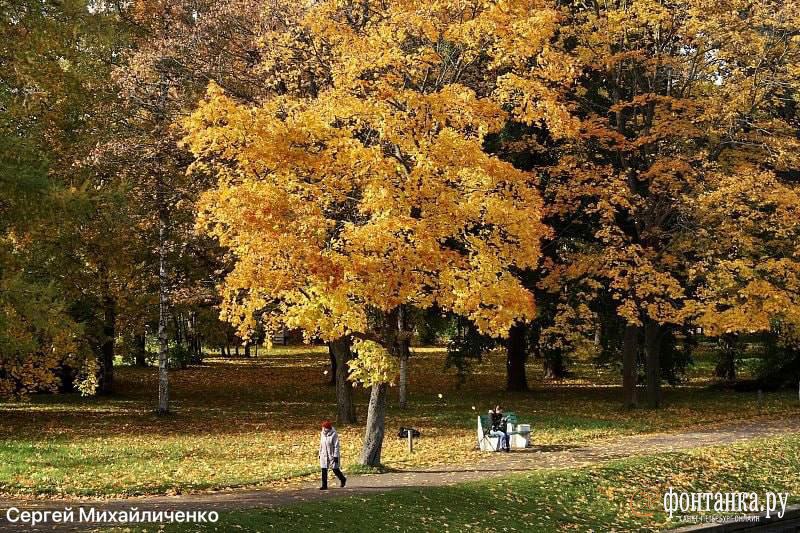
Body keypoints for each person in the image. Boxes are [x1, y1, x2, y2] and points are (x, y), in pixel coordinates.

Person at [319, 420, 347, 490]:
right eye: (323, 427)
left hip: (332, 454)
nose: (323, 429)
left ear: (328, 428)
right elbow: (321, 444)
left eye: (325, 428)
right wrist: (320, 453)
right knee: (324, 469)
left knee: (335, 469)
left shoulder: (334, 434)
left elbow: (336, 446)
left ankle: (343, 479)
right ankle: (324, 485)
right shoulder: (322, 433)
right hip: (324, 454)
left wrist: (336, 456)